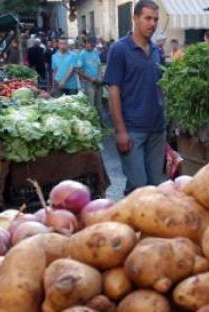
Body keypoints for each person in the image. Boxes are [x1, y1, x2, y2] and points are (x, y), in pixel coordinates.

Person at [104, 0, 166, 195]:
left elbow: (161, 87)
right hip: (132, 130)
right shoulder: (119, 49)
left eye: (156, 19)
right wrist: (120, 131)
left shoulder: (157, 51)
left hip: (157, 129)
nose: (153, 24)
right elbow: (113, 92)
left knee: (155, 186)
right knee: (140, 188)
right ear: (135, 18)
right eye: (148, 18)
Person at [78, 37, 102, 112]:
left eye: (94, 46)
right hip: (89, 82)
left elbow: (99, 65)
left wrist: (99, 76)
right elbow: (79, 70)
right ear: (87, 44)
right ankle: (91, 122)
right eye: (91, 46)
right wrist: (90, 78)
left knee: (99, 103)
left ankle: (100, 121)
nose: (93, 47)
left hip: (97, 80)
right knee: (90, 104)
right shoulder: (82, 54)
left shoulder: (95, 51)